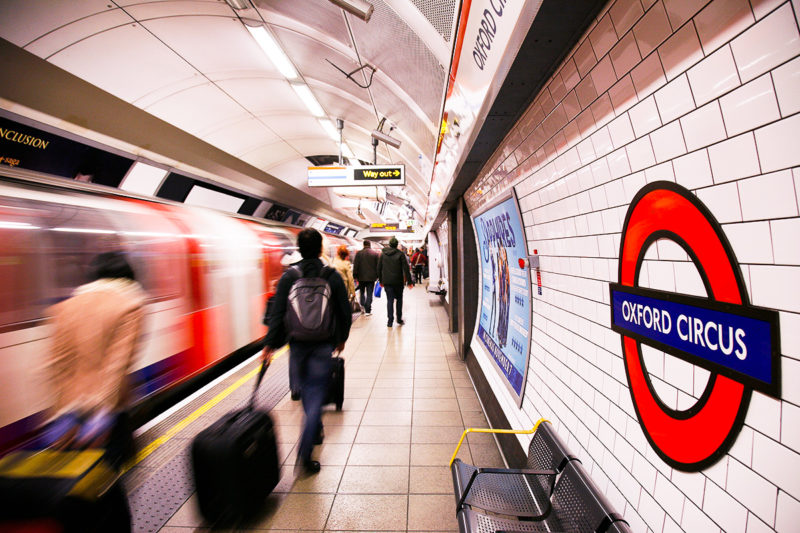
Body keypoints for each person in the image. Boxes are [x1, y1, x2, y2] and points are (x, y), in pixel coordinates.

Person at [39, 251, 146, 467]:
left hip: (69, 410)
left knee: (79, 480)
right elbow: (117, 366)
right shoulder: (129, 307)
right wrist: (102, 413)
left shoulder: (65, 308)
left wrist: (58, 412)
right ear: (128, 277)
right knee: (111, 476)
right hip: (108, 412)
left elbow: (55, 364)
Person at [262, 229, 351, 474]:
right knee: (315, 398)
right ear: (320, 248)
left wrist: (270, 344)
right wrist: (341, 338)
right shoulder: (330, 275)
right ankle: (304, 452)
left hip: (298, 344)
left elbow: (277, 313)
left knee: (306, 393)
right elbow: (344, 311)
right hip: (323, 344)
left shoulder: (289, 276)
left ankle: (316, 428)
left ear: (299, 249)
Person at [377, 236, 413, 327]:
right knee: (399, 300)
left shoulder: (383, 254)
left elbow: (379, 268)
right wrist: (409, 282)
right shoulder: (400, 254)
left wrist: (381, 281)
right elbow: (406, 268)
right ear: (396, 245)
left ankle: (390, 321)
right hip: (398, 282)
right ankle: (399, 319)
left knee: (390, 300)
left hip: (387, 282)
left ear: (389, 244)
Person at [353, 241, 379, 315]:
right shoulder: (375, 254)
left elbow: (356, 265)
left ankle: (363, 306)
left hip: (361, 277)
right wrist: (377, 276)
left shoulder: (359, 253)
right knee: (369, 293)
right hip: (371, 278)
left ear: (363, 245)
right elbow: (378, 267)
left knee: (362, 292)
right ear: (369, 245)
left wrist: (355, 276)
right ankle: (368, 310)